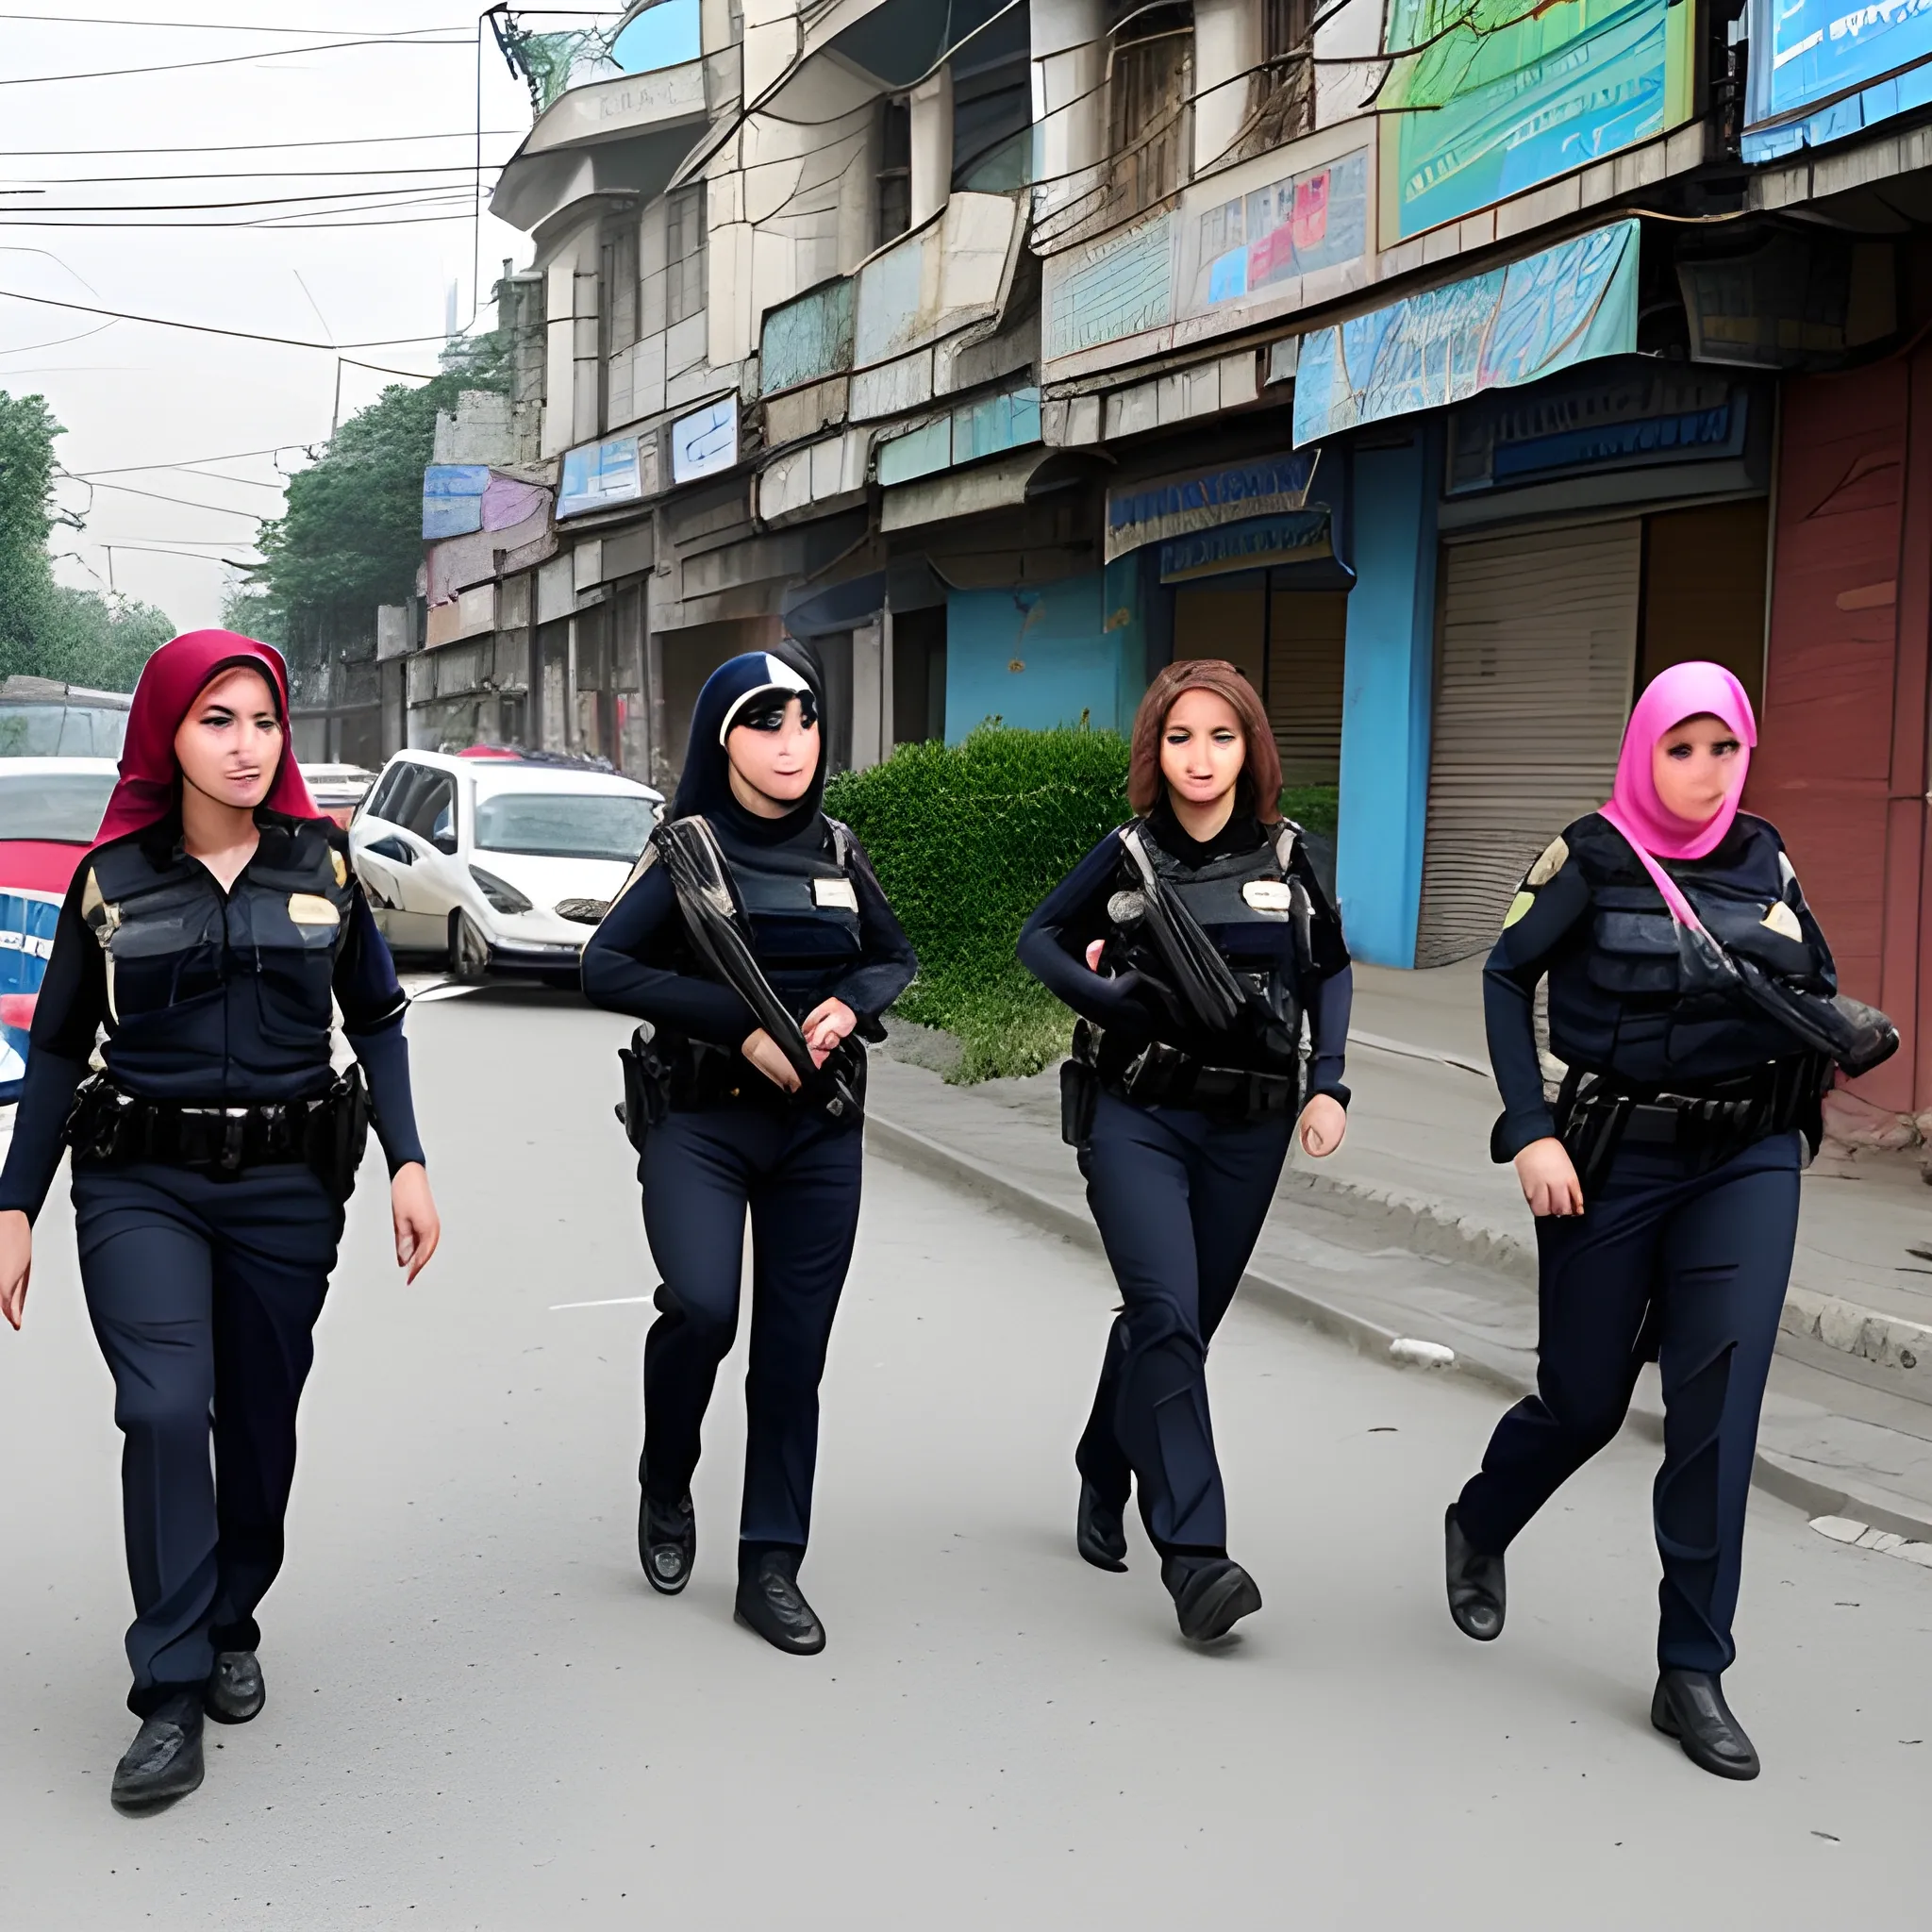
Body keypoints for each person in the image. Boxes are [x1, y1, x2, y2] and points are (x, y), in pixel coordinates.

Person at [0, 629, 440, 1814]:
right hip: (138, 1178)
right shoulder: (111, 880)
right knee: (157, 1405)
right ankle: (170, 1688)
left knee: (256, 1417)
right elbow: (53, 1049)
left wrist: (407, 1159)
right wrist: (13, 1202)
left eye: (264, 720)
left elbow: (381, 1021)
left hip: (289, 1188)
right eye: (217, 720)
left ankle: (234, 1609)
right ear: (167, 733)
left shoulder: (326, 866)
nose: (248, 745)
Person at [1443, 659, 1888, 1781]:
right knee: (1583, 1399)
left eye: (1722, 748)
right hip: (1611, 1160)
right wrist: (1527, 1126)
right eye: (1679, 748)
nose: (1702, 773)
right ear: (1643, 750)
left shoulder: (1764, 852)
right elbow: (1504, 977)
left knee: (1716, 1406)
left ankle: (1689, 1663)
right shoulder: (1589, 853)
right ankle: (1479, 1520)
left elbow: (1811, 974)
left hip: (1746, 1159)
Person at [581, 651, 916, 1656]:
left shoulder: (838, 846)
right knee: (704, 1306)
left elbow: (890, 954)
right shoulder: (687, 850)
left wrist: (845, 1004)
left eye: (806, 722)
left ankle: (769, 1564)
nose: (790, 743)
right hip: (703, 1121)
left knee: (790, 1359)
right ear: (721, 740)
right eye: (765, 722)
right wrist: (743, 1025)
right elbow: (605, 963)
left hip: (820, 1130)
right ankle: (665, 1468)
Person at [1017, 659, 1352, 1642]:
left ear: (1250, 749)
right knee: (1163, 1311)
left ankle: (1100, 1457)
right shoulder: (1126, 852)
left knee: (1179, 1327)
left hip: (1250, 1124)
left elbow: (1329, 969)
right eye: (1178, 737)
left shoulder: (1292, 856)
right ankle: (1197, 1557)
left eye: (1219, 736)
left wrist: (1326, 1081)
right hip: (1137, 1114)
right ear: (1152, 751)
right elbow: (1039, 937)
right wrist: (1106, 998)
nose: (1199, 757)